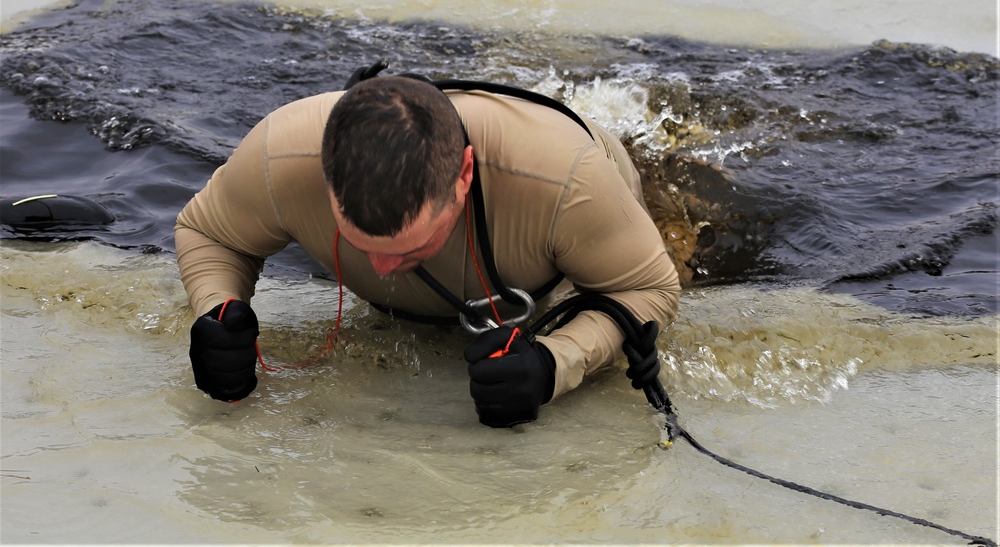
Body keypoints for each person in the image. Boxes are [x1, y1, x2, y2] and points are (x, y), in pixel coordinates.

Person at [175, 72, 680, 428]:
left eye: (408, 248)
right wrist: (218, 310)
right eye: (360, 244)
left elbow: (650, 287)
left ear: (463, 177)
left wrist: (553, 365)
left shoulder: (567, 182)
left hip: (597, 185)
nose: (381, 268)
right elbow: (209, 233)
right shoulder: (279, 157)